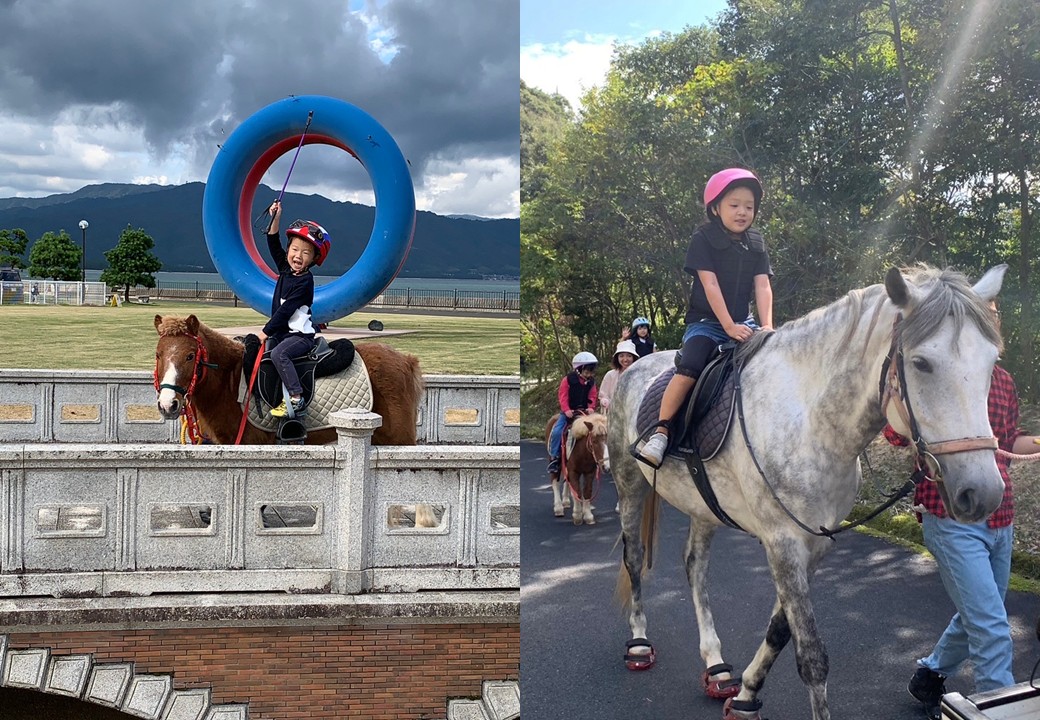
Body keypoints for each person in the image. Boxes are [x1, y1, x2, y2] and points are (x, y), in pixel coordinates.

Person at [891, 299, 1040, 720]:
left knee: (982, 610)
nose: (986, 319)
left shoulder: (1005, 381)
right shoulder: (936, 374)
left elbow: (1009, 445)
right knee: (992, 628)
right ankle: (1003, 711)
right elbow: (897, 430)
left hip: (1001, 515)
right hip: (951, 517)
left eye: (992, 313)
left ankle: (931, 673)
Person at [637, 168, 773, 467]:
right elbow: (709, 284)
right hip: (708, 324)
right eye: (734, 205)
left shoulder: (757, 242)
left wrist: (766, 327)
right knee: (691, 366)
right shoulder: (703, 237)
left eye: (749, 206)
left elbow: (762, 285)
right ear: (715, 207)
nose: (742, 212)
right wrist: (727, 326)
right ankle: (660, 431)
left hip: (745, 322)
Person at [256, 200, 331, 418]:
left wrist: (266, 330)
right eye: (295, 249)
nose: (298, 256)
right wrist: (276, 217)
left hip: (300, 336)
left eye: (306, 253)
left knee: (280, 353)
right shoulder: (285, 269)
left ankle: (297, 398)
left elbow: (286, 310)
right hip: (282, 333)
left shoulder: (305, 281)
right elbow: (272, 241)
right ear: (288, 249)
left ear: (314, 259)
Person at [547, 351, 599, 475]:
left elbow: (593, 396)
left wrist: (591, 407)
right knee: (557, 431)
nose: (589, 374)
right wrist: (566, 410)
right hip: (569, 412)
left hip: (584, 412)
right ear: (579, 369)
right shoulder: (568, 380)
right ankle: (555, 458)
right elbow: (563, 396)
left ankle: (596, 458)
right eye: (587, 371)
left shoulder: (591, 382)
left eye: (591, 371)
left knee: (597, 432)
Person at [599, 340, 638, 413]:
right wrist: (605, 401)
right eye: (621, 356)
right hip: (614, 414)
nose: (625, 359)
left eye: (629, 356)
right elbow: (603, 395)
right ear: (617, 358)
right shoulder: (610, 375)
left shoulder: (638, 375)